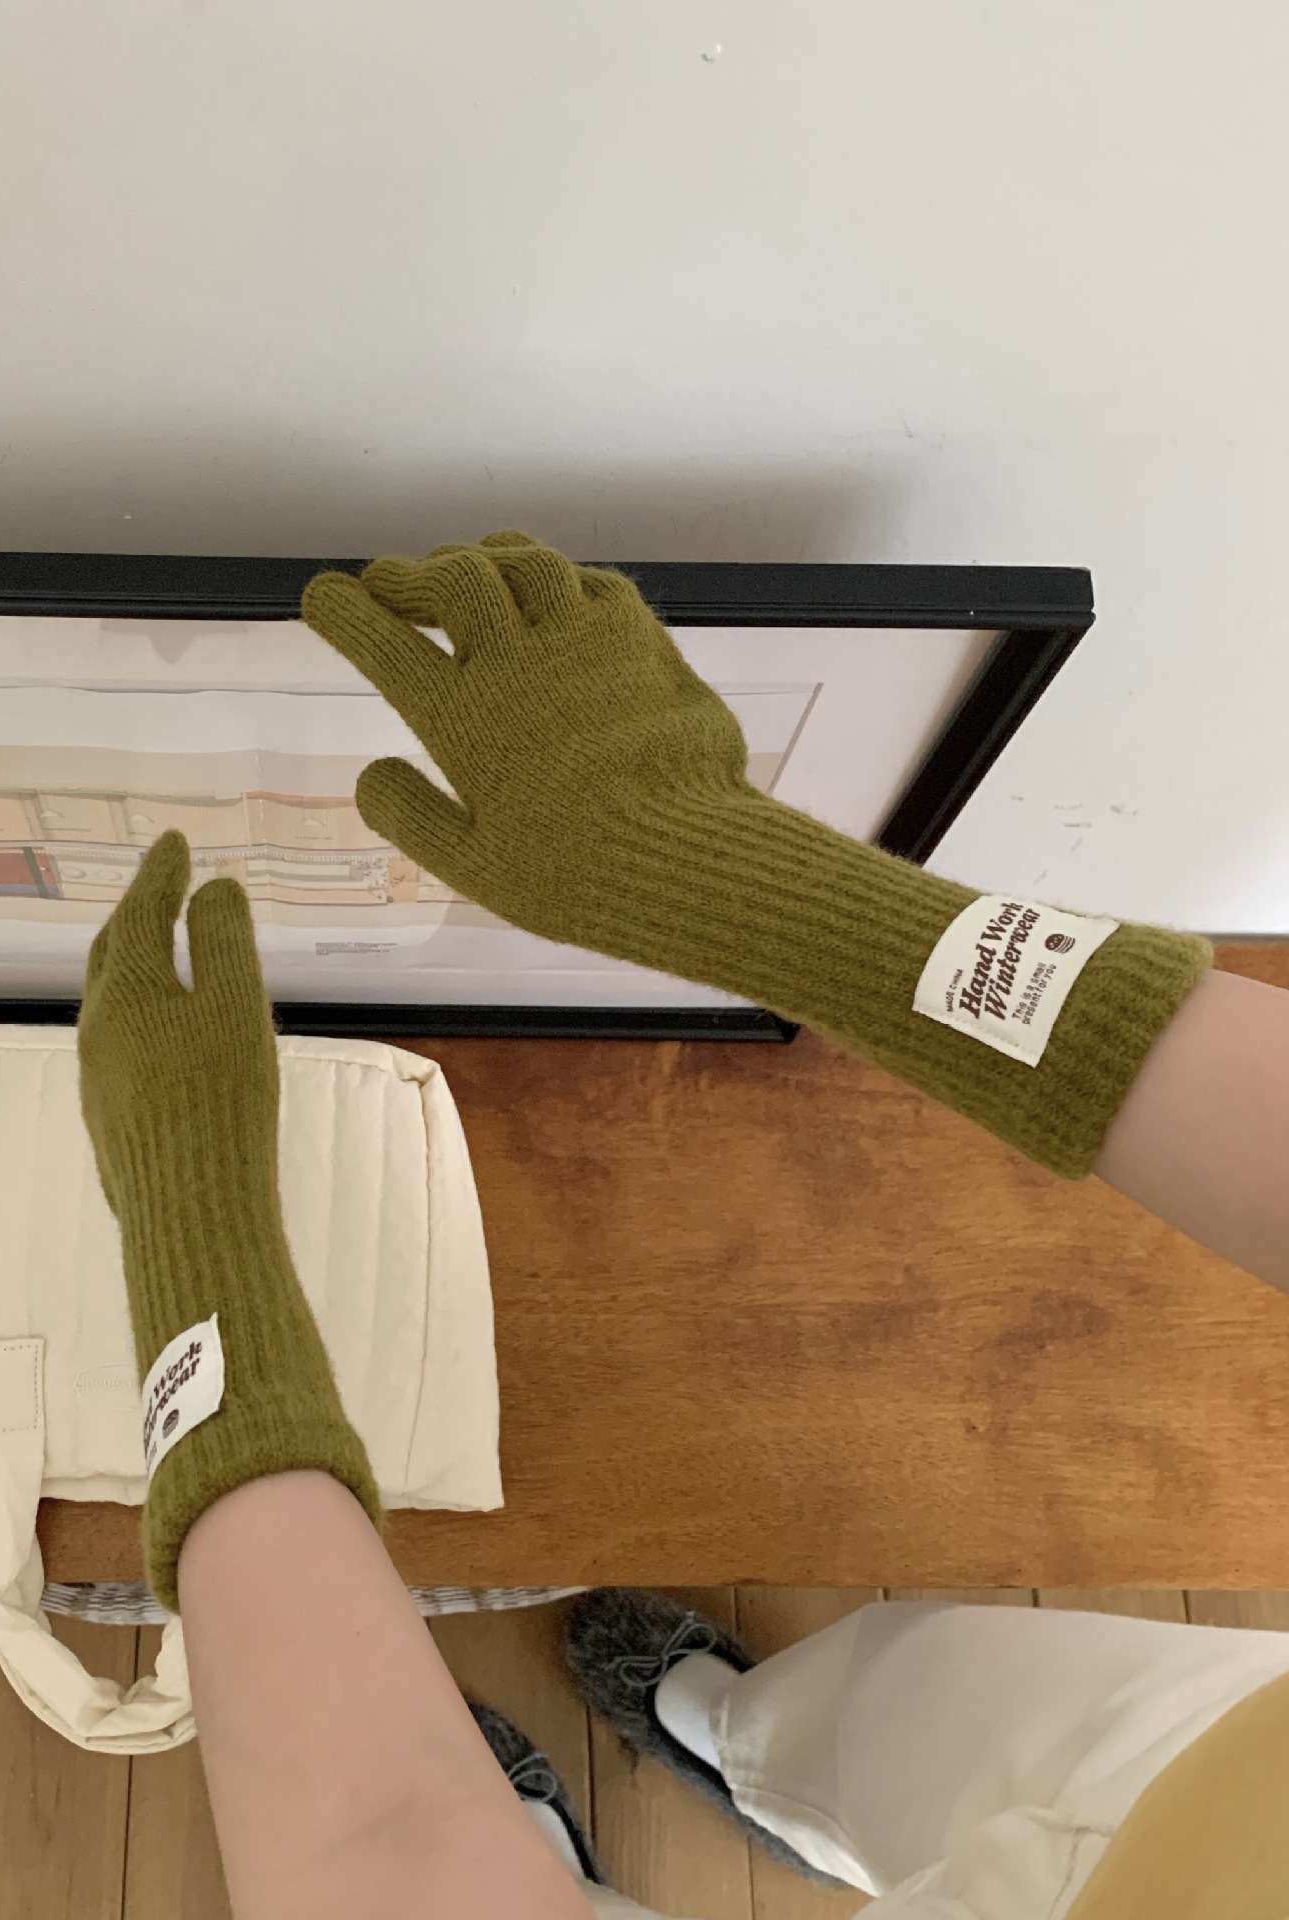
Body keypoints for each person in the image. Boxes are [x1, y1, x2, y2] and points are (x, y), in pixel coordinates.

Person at [74, 533, 1289, 1920]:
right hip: (1232, 1773)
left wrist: (188, 1207)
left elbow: (377, 1853)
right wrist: (713, 861)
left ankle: (563, 1861)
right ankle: (737, 1733)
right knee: (929, 1704)